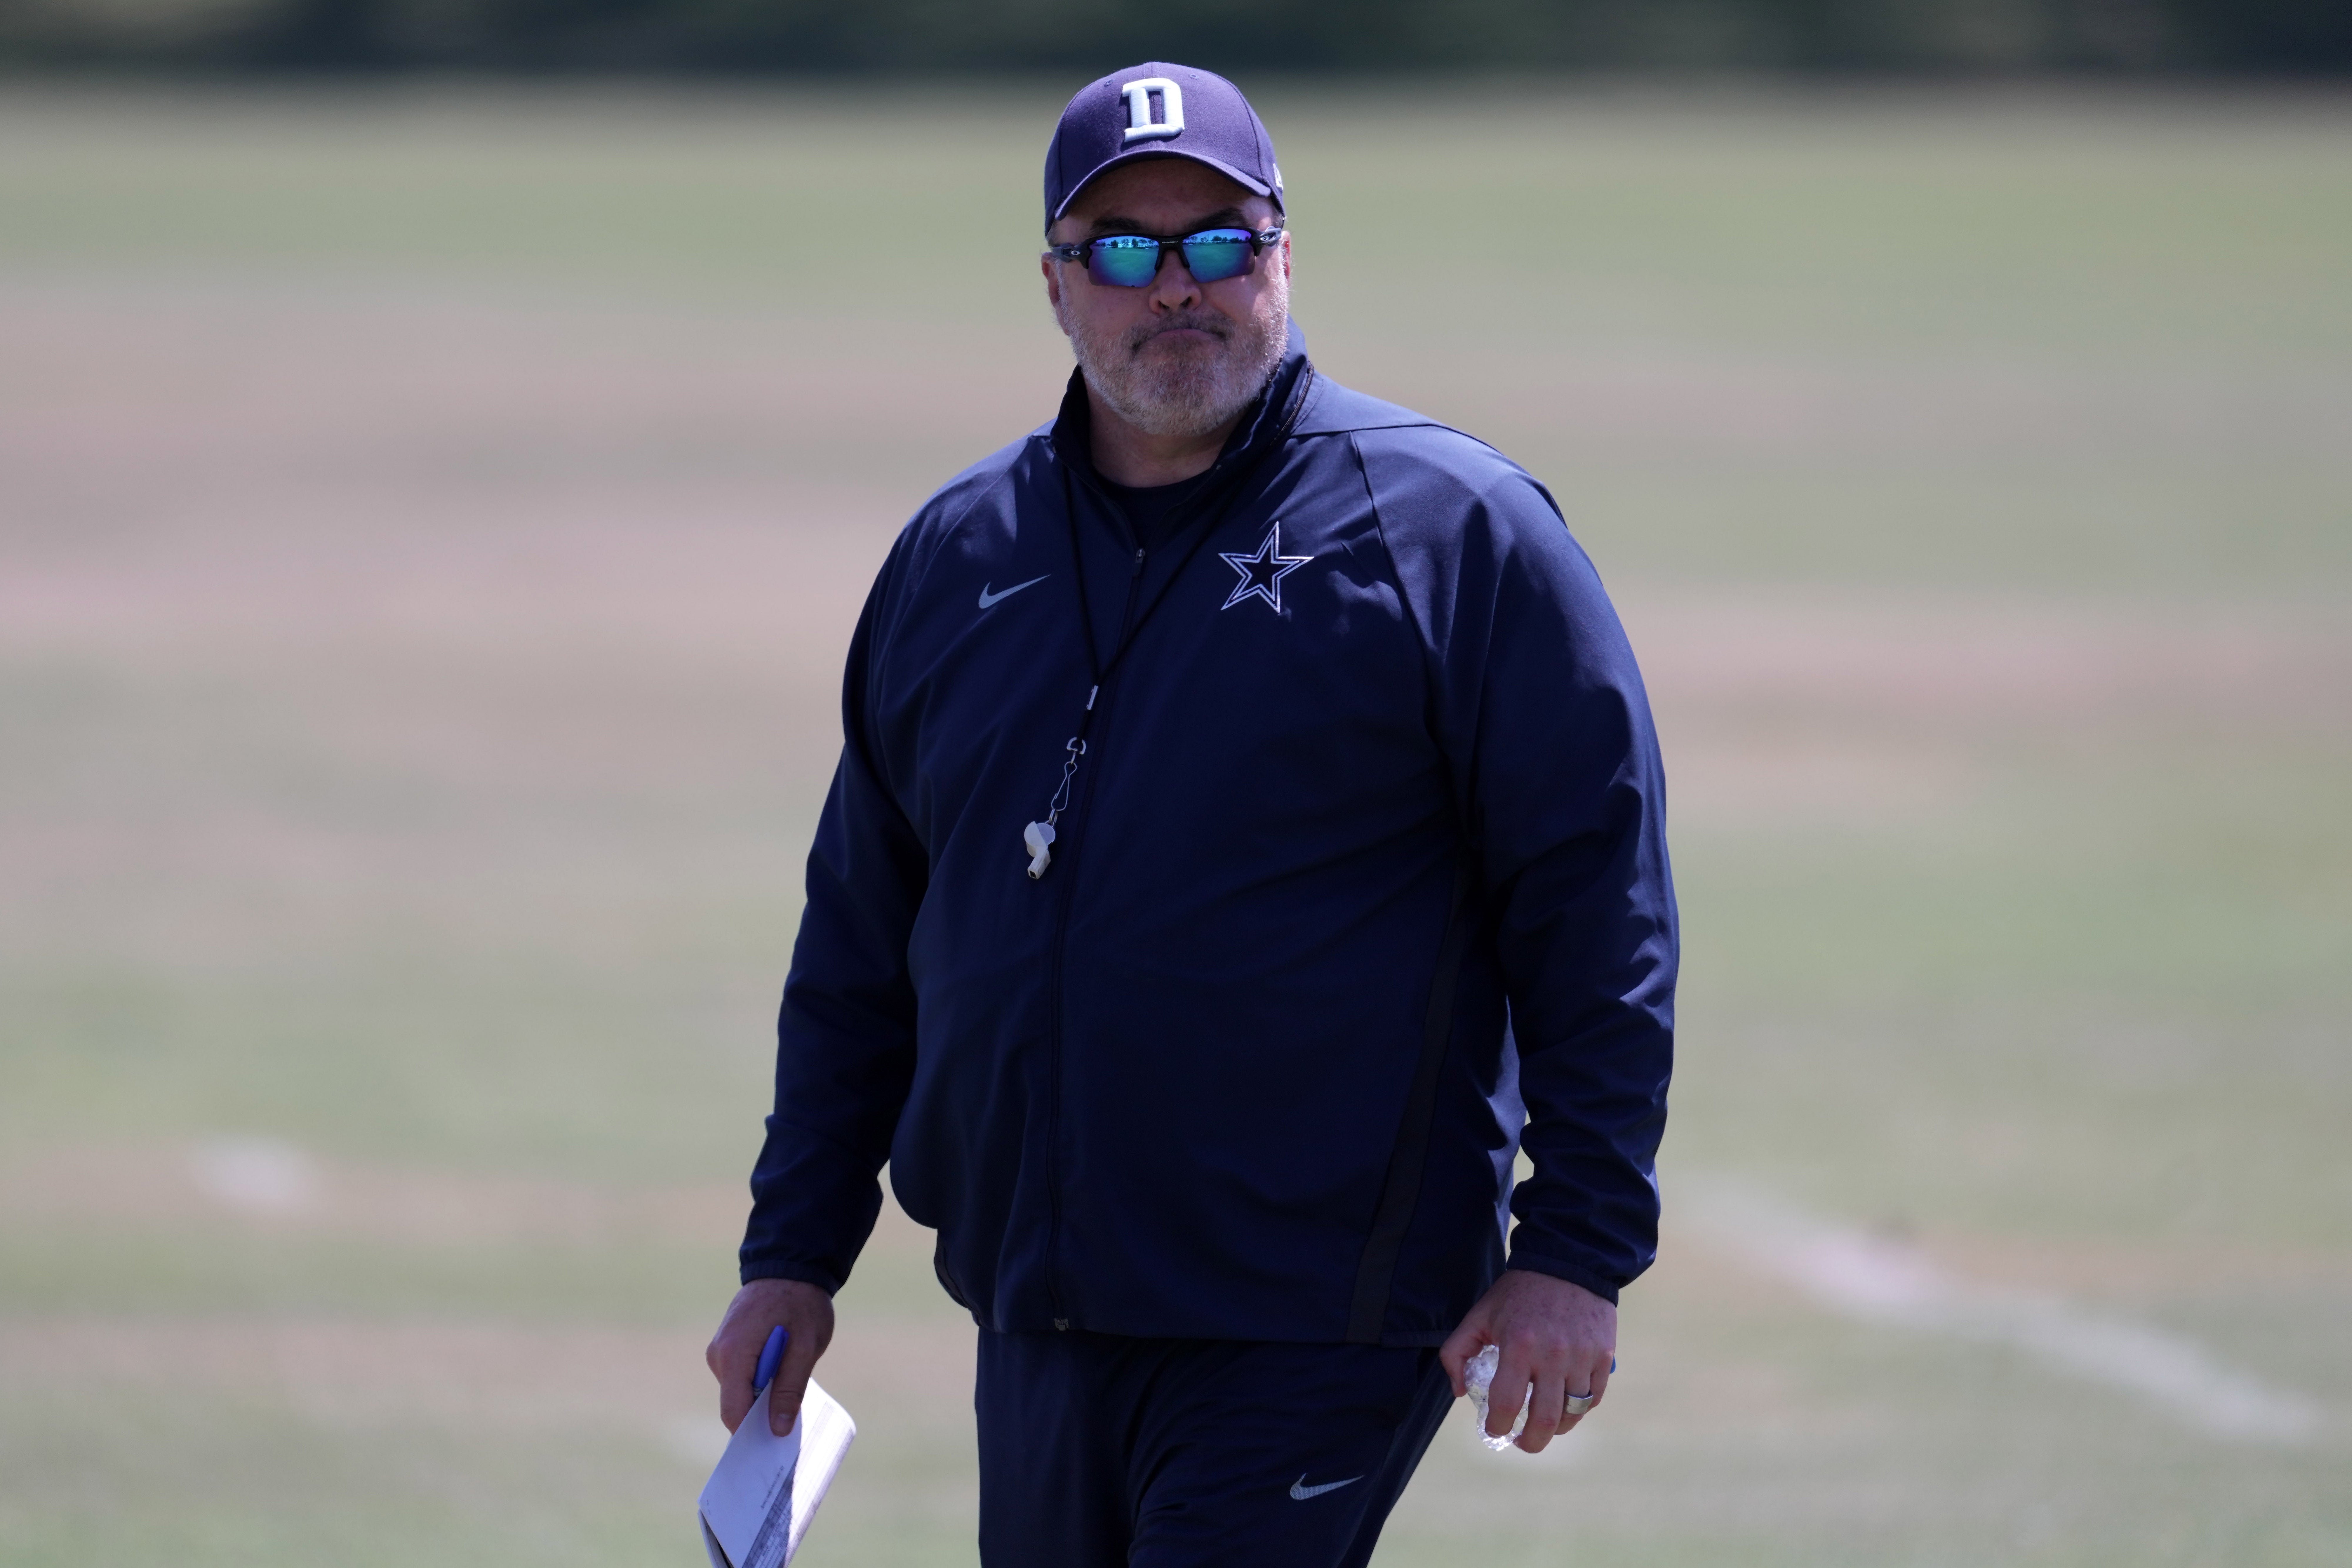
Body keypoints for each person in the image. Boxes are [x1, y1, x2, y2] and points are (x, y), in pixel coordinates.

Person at [706, 61, 1677, 1568]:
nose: (1179, 288)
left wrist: (1580, 1247)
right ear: (1054, 282)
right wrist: (794, 1253)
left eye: (1220, 242)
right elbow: (862, 940)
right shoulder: (960, 557)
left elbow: (1598, 903)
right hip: (1044, 1310)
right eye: (1125, 250)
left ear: (1285, 253)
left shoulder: (1452, 532)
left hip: (1319, 1314)